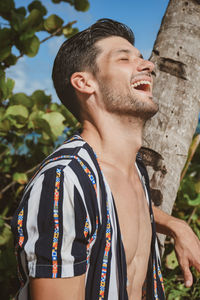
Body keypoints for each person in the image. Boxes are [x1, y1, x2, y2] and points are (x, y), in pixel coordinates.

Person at [11, 18, 200, 300]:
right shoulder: (64, 180)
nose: (147, 65)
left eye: (141, 57)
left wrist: (176, 225)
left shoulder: (133, 170)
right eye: (124, 59)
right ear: (85, 82)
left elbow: (112, 208)